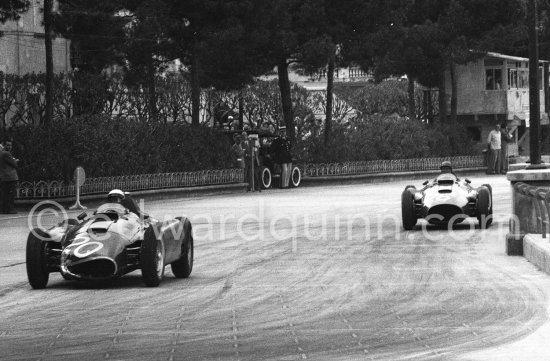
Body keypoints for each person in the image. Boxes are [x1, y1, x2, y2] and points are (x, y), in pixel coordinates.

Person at [0, 138, 19, 214]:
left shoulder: (1, 153)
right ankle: (10, 209)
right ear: (3, 145)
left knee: (5, 194)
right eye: (7, 145)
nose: (9, 147)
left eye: (10, 145)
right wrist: (15, 160)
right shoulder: (6, 154)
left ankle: (4, 209)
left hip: (4, 176)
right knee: (10, 195)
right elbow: (14, 165)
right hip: (10, 177)